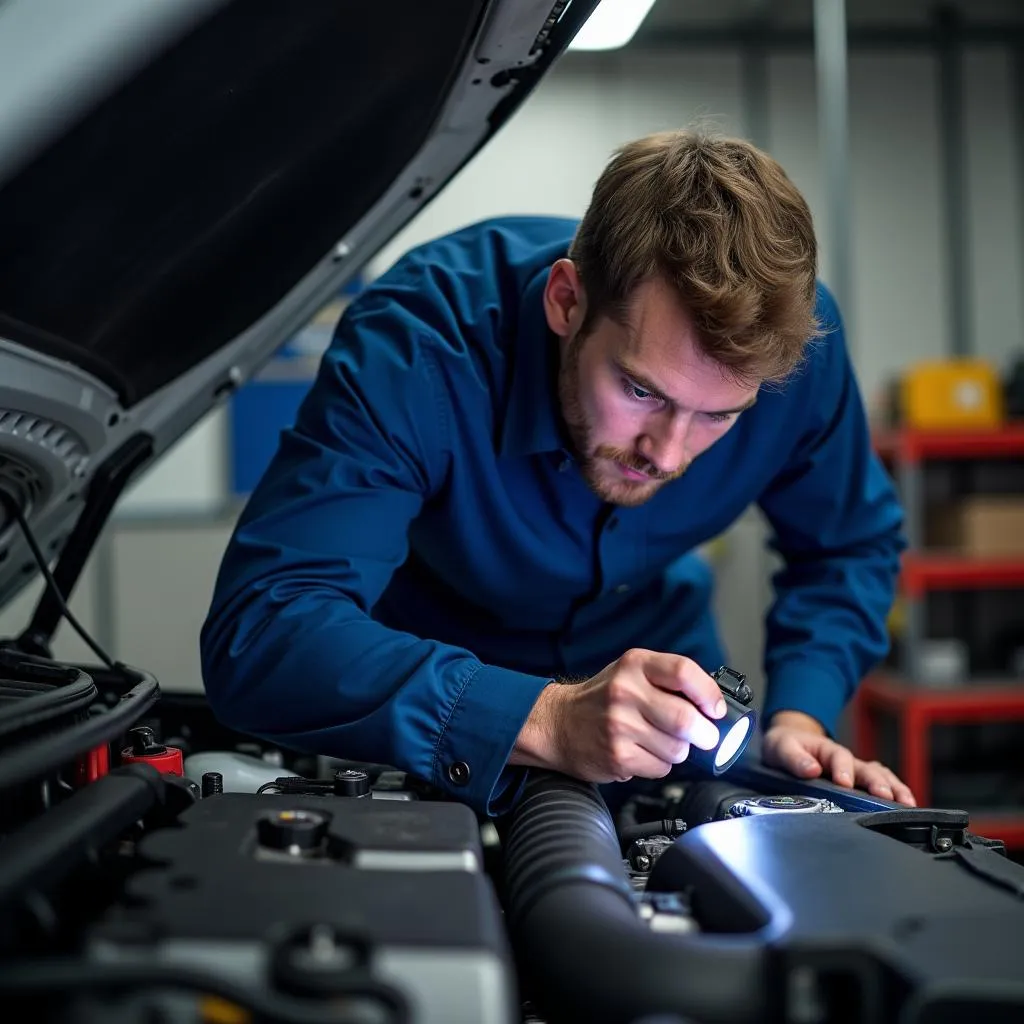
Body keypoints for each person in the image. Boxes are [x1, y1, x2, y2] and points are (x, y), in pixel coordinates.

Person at [200, 129, 916, 816]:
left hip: (671, 722)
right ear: (567, 300)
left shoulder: (794, 349)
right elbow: (266, 627)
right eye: (642, 391)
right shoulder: (422, 343)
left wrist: (800, 717)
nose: (666, 455)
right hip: (427, 713)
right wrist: (544, 715)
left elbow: (847, 544)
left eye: (718, 417)